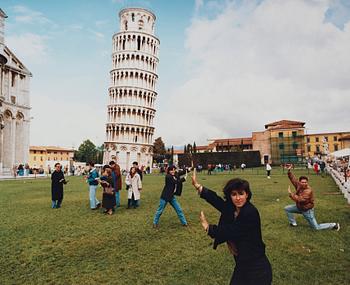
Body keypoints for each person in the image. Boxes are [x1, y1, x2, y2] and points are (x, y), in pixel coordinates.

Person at [191, 169, 272, 285]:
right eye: (234, 194)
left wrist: (208, 228)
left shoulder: (250, 212)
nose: (238, 198)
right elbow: (217, 201)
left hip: (257, 268)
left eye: (241, 194)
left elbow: (231, 231)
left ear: (247, 194)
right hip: (242, 264)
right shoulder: (232, 208)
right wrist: (198, 186)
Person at [284, 165, 340, 230]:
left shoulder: (308, 190)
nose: (304, 183)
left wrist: (291, 194)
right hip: (299, 207)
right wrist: (289, 171)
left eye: (305, 182)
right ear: (299, 182)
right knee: (287, 209)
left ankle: (334, 225)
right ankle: (293, 223)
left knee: (316, 227)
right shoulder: (299, 185)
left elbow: (301, 199)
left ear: (307, 182)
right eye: (302, 182)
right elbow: (293, 179)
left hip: (307, 210)